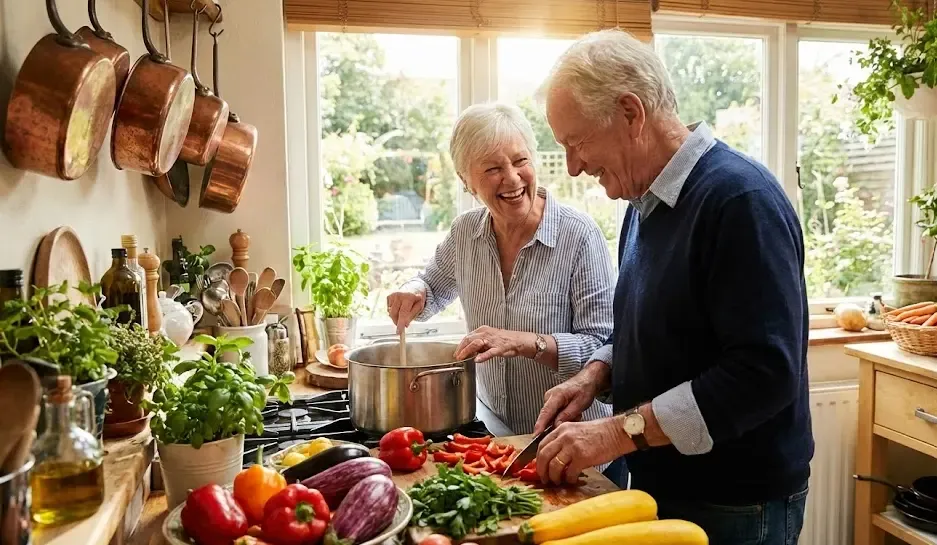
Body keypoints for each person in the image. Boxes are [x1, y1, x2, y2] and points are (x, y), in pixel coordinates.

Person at [531, 29, 814, 545]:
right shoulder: (643, 206)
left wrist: (615, 432)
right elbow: (663, 330)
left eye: (577, 142)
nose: (573, 166)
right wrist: (596, 373)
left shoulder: (739, 199)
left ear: (631, 113)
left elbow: (763, 374)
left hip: (737, 501)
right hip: (668, 482)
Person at [386, 102, 622, 478]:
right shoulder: (465, 233)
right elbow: (433, 284)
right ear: (466, 180)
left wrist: (522, 342)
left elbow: (604, 347)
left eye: (520, 161)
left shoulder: (579, 236)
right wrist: (413, 289)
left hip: (580, 450)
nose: (512, 178)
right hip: (501, 444)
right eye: (493, 168)